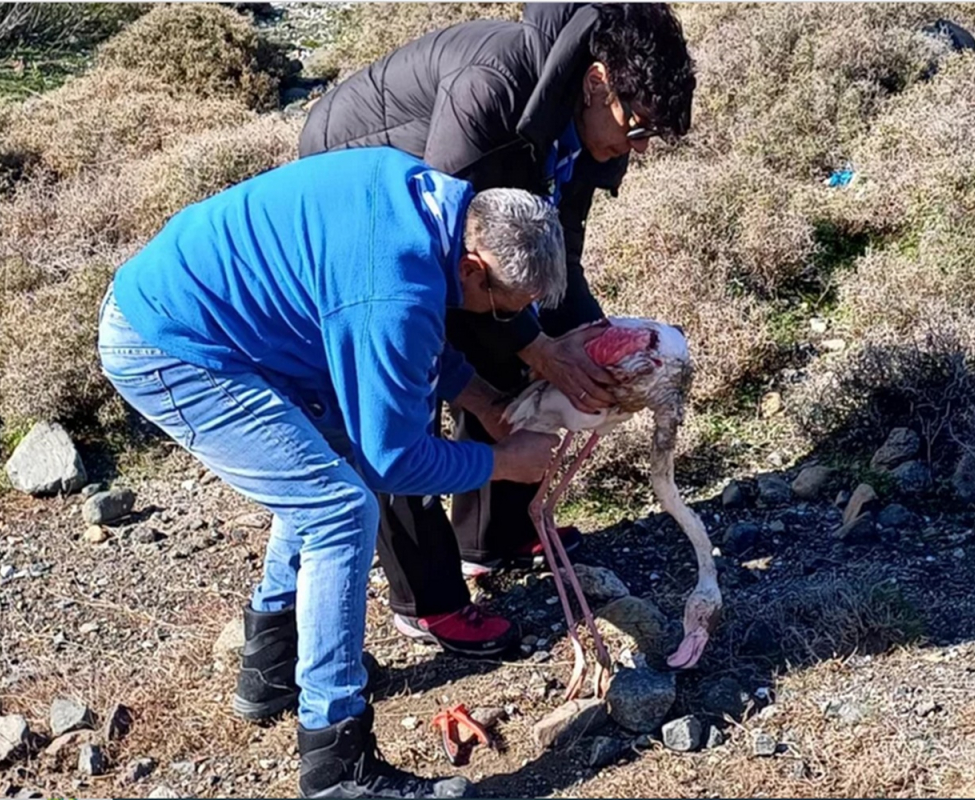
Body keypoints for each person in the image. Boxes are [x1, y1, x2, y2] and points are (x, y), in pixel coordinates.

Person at [97, 146, 565, 799]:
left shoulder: (428, 202)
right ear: (473, 267)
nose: (503, 321)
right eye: (505, 308)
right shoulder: (396, 286)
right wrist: (504, 464)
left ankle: (273, 667)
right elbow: (395, 459)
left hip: (209, 316)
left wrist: (483, 402)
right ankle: (337, 763)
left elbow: (412, 342)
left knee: (329, 472)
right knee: (340, 511)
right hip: (170, 344)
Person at [298, 2, 695, 657]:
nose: (640, 148)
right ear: (599, 84)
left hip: (459, 217)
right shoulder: (494, 90)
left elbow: (552, 250)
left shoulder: (581, 122)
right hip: (362, 179)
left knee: (521, 340)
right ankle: (427, 602)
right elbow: (457, 259)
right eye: (639, 127)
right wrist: (538, 346)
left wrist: (584, 340)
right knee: (405, 384)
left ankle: (494, 536)